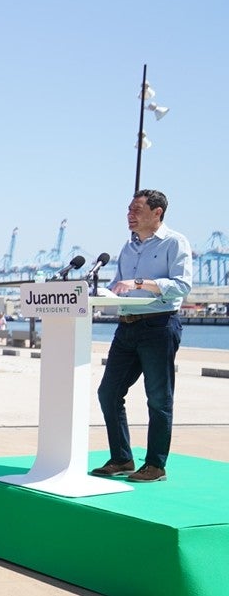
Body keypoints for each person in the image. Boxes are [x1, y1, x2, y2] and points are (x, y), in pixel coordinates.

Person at [93, 189, 193, 483]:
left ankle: (155, 465)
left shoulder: (175, 242)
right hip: (126, 327)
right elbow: (117, 285)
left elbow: (182, 285)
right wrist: (101, 293)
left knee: (158, 398)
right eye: (128, 209)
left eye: (136, 210)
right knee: (108, 392)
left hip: (159, 327)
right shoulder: (128, 247)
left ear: (157, 213)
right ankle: (122, 457)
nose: (129, 215)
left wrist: (140, 282)